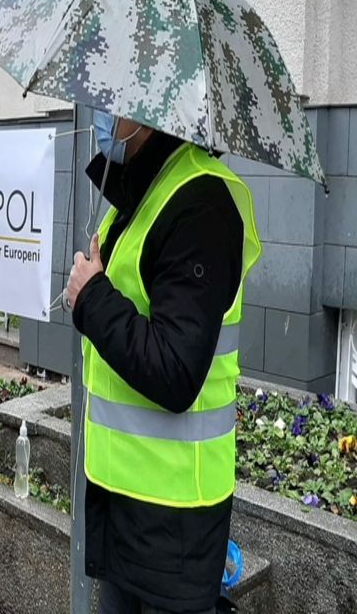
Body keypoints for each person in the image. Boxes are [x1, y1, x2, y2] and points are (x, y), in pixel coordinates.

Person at [65, 111, 261, 614]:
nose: (105, 114)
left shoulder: (201, 205)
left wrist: (92, 299)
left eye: (115, 102)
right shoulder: (141, 194)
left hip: (175, 529)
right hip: (129, 515)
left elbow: (176, 371)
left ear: (151, 111)